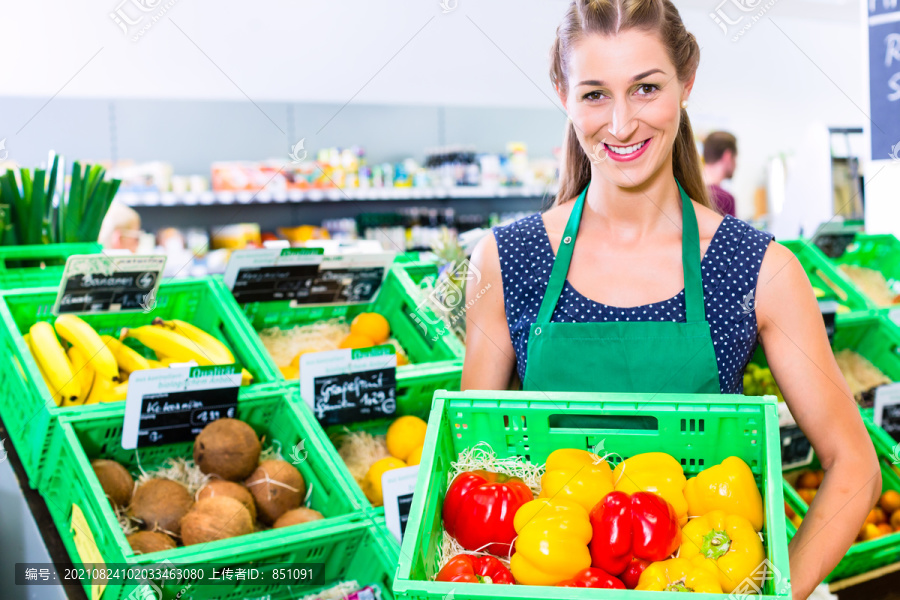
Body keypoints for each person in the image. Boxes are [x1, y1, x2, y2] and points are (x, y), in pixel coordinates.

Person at [461, 1, 879, 597]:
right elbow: (475, 463)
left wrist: (781, 591)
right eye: (595, 95)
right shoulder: (506, 261)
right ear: (562, 93)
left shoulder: (758, 269)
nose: (623, 124)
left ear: (686, 81)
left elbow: (855, 466)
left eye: (646, 88)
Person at [703, 131, 738, 217]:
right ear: (728, 156)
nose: (737, 164)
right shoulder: (726, 199)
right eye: (736, 158)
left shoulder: (688, 190)